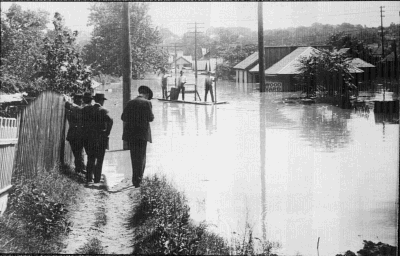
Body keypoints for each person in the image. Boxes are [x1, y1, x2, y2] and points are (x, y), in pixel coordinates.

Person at [121, 86, 154, 188]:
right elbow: (151, 118)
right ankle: (139, 181)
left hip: (131, 134)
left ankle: (135, 180)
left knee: (134, 156)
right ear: (147, 94)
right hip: (142, 134)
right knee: (141, 157)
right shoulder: (147, 103)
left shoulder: (130, 102)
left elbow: (123, 117)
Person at [82, 93, 113, 184]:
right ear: (101, 100)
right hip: (100, 137)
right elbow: (110, 121)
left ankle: (88, 178)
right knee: (99, 159)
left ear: (95, 100)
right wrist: (107, 132)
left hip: (88, 137)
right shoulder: (104, 110)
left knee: (90, 157)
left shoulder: (86, 109)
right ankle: (97, 179)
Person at [65, 93, 85, 174]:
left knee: (78, 153)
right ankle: (79, 170)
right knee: (78, 153)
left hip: (73, 134)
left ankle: (80, 169)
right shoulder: (79, 110)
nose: (81, 102)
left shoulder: (70, 109)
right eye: (80, 101)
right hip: (78, 134)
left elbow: (68, 105)